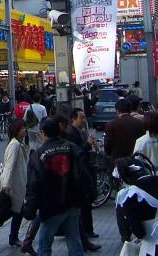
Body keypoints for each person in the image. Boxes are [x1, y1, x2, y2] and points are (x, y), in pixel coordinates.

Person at [23, 118, 89, 256]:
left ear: (42, 133)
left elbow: (33, 185)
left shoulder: (39, 155)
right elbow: (82, 174)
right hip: (72, 201)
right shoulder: (71, 147)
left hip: (50, 206)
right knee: (74, 241)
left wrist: (30, 209)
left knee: (45, 245)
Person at [0, 118, 29, 248]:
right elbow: (9, 166)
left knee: (14, 210)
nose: (24, 130)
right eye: (22, 128)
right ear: (16, 130)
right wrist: (7, 185)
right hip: (13, 184)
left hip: (16, 183)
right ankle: (7, 235)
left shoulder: (16, 143)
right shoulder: (14, 145)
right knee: (15, 210)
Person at [65, 108, 101, 252]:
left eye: (85, 117)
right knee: (82, 205)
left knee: (85, 204)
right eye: (82, 118)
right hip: (79, 174)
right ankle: (86, 232)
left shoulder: (79, 131)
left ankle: (87, 231)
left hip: (84, 171)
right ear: (73, 119)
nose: (84, 120)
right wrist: (87, 144)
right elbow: (78, 152)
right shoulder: (71, 133)